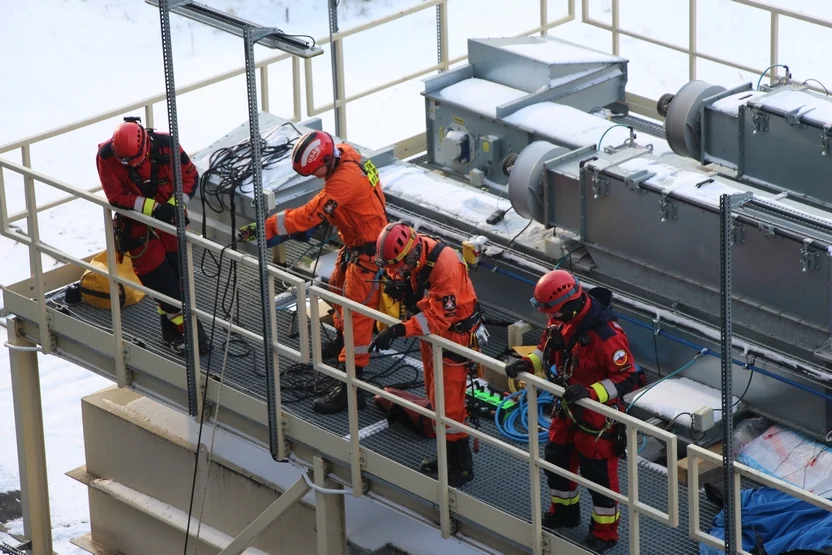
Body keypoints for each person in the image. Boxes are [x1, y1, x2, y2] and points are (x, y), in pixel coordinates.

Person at [238, 130, 388, 415]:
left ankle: (351, 391)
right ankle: (342, 343)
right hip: (357, 242)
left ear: (326, 159)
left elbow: (310, 214)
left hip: (368, 254)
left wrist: (267, 228)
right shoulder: (345, 154)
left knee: (357, 317)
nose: (314, 176)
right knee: (335, 288)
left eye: (314, 171)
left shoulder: (344, 180)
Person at [504, 269, 639, 553]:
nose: (550, 318)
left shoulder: (607, 336)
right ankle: (565, 511)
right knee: (557, 459)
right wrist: (526, 364)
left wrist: (591, 393)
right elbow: (545, 351)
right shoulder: (561, 320)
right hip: (567, 406)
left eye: (553, 312)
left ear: (570, 304)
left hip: (597, 417)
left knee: (598, 475)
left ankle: (604, 533)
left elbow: (628, 377)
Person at [369, 222, 485, 488]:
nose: (393, 271)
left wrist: (399, 330)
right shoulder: (417, 252)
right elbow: (417, 286)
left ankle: (462, 468)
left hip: (452, 338)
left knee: (451, 408)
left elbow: (439, 318)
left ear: (410, 254)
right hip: (434, 339)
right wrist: (401, 287)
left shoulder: (444, 265)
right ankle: (446, 459)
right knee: (436, 398)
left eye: (397, 265)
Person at [97, 117, 211, 355]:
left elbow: (190, 178)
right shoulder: (107, 156)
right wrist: (153, 209)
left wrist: (174, 205)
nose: (130, 166)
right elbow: (116, 196)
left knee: (180, 278)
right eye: (124, 162)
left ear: (145, 147)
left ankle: (169, 331)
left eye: (134, 161)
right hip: (137, 227)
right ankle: (191, 333)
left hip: (171, 222)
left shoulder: (167, 145)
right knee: (161, 282)